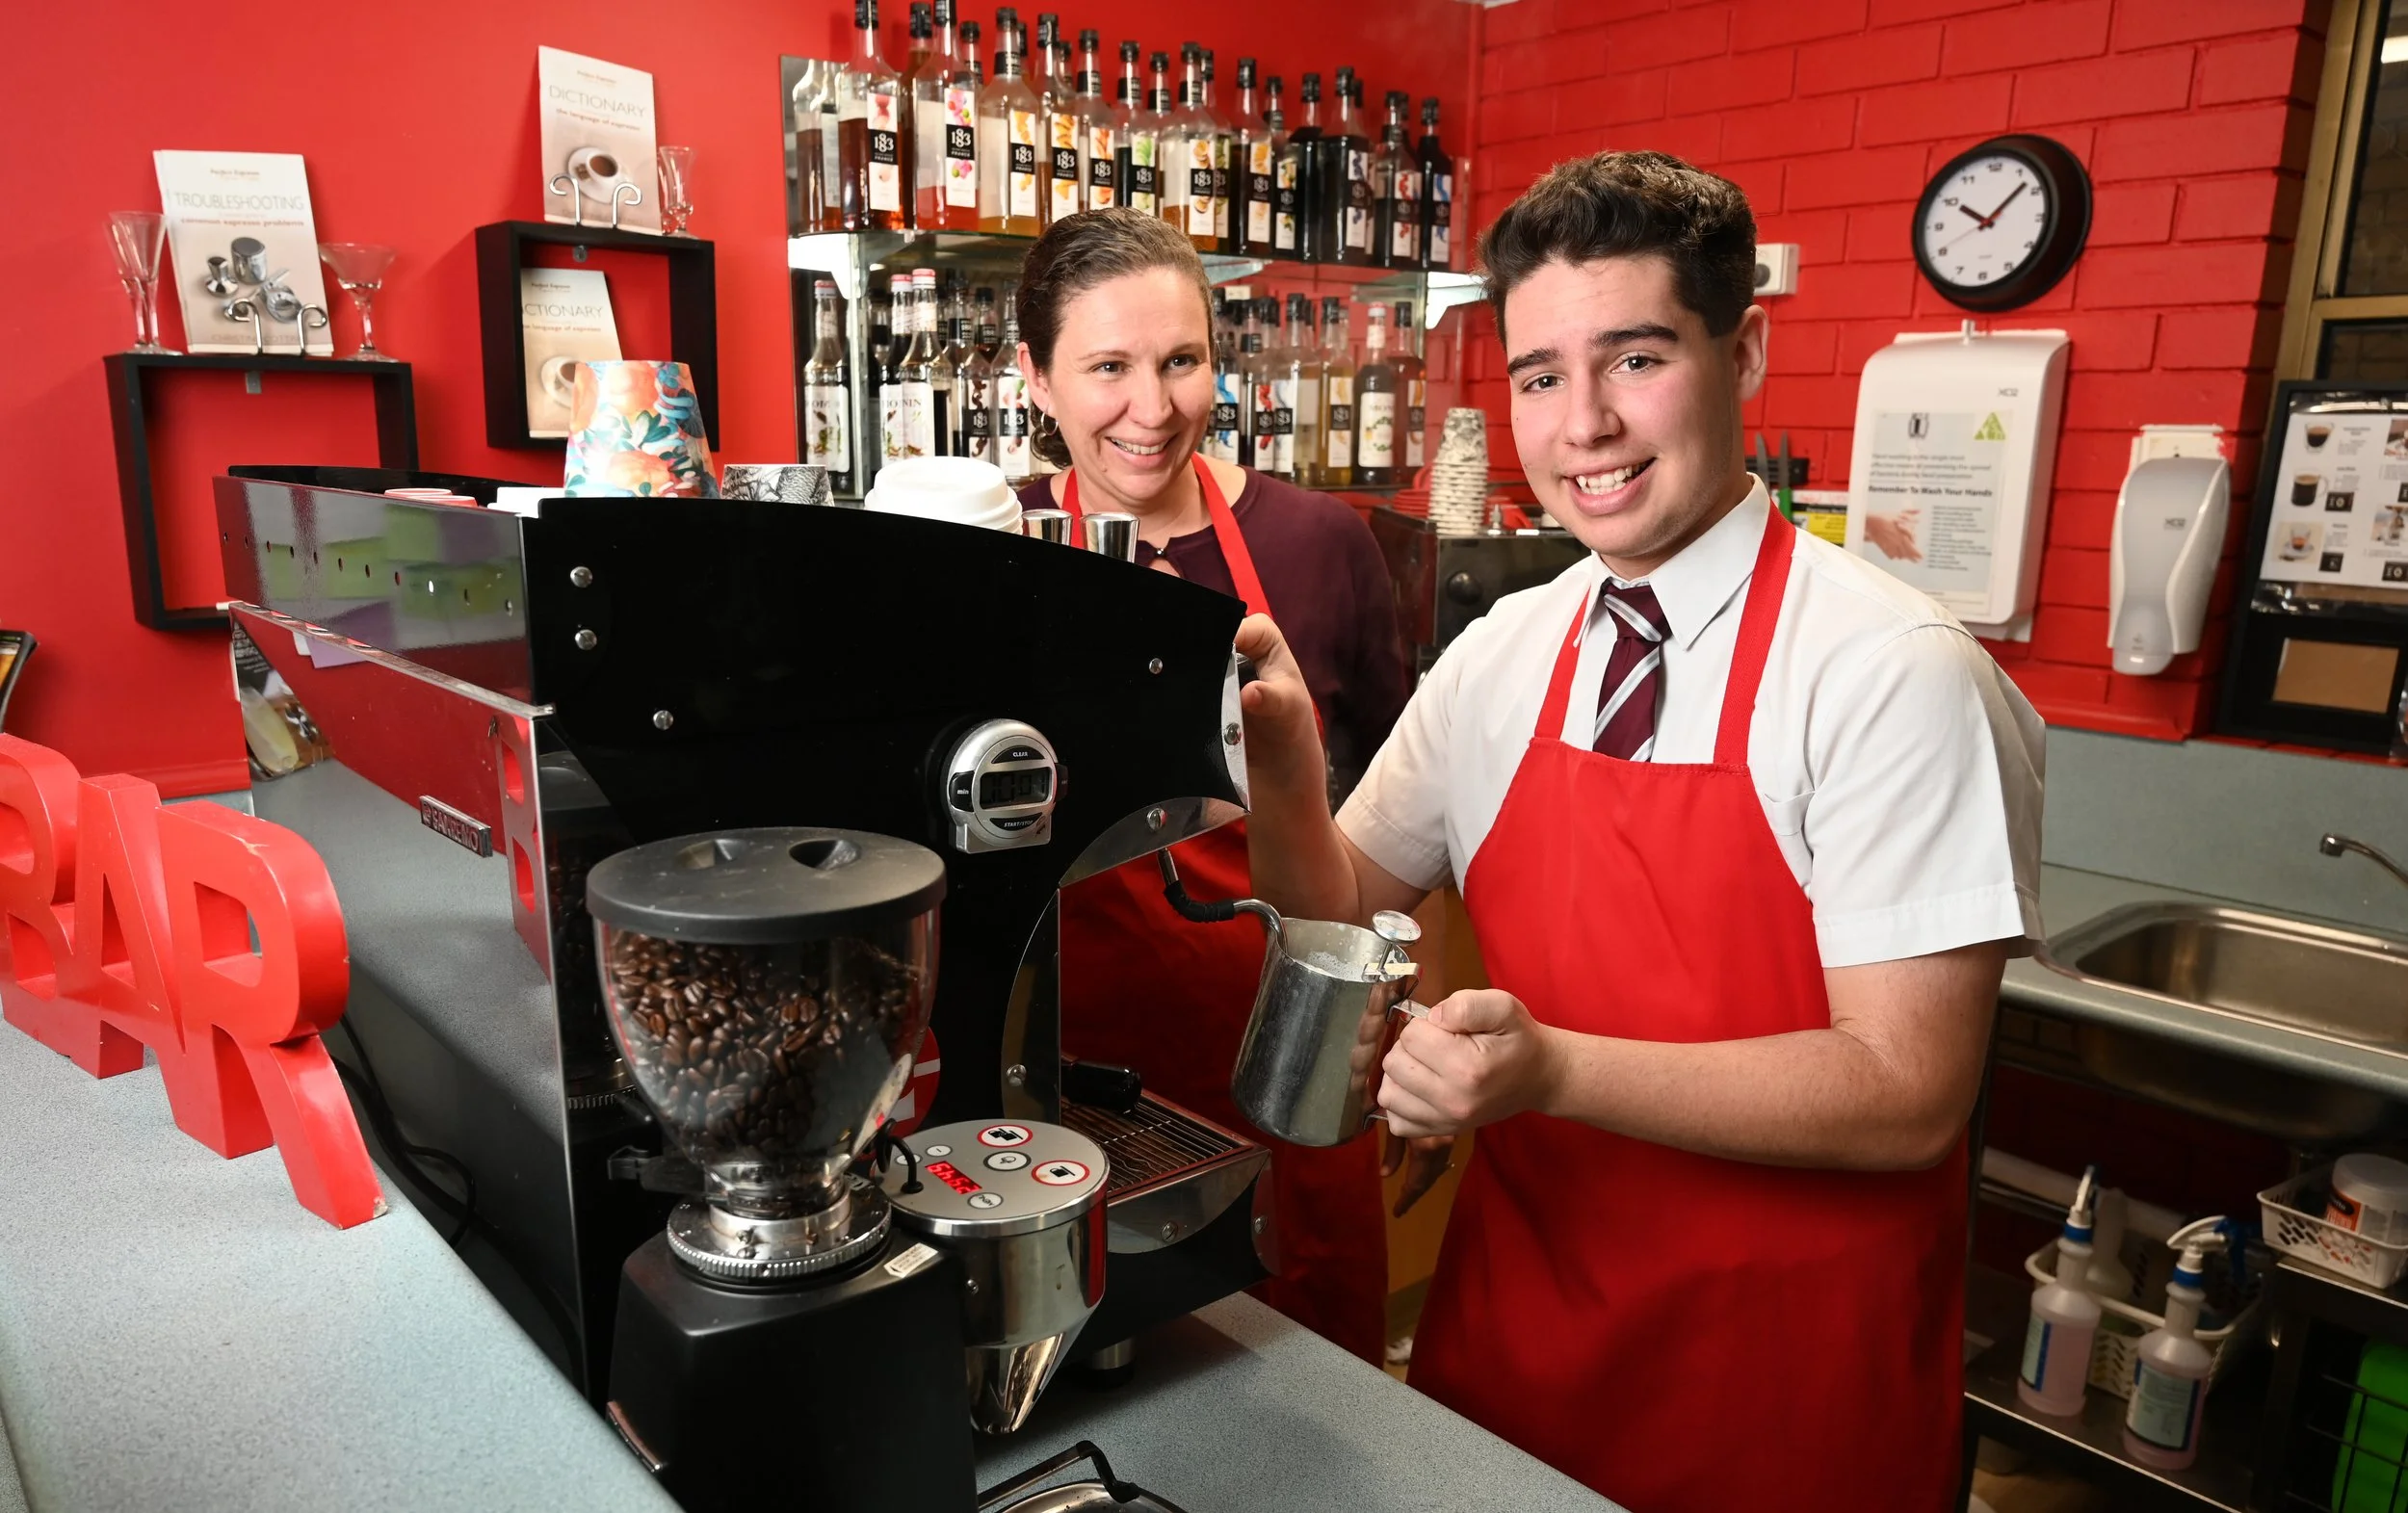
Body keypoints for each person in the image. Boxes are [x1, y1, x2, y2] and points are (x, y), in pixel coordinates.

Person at [1235, 153, 2045, 1510]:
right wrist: (1275, 758)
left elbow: (1909, 1090)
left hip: (1785, 1399)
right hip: (1515, 1361)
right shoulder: (1507, 651)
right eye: (1543, 375)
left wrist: (1545, 1068)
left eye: (1637, 358)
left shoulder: (1885, 669)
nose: (1586, 424)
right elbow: (1334, 895)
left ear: (1748, 351)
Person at [1011, 208, 1413, 1363]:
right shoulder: (985, 549)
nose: (1153, 407)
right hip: (1060, 1086)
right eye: (1106, 367)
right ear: (1035, 376)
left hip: (1289, 1070)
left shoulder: (1319, 544)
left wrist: (1384, 1023)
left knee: (1317, 1404)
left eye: (1180, 361)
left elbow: (1395, 826)